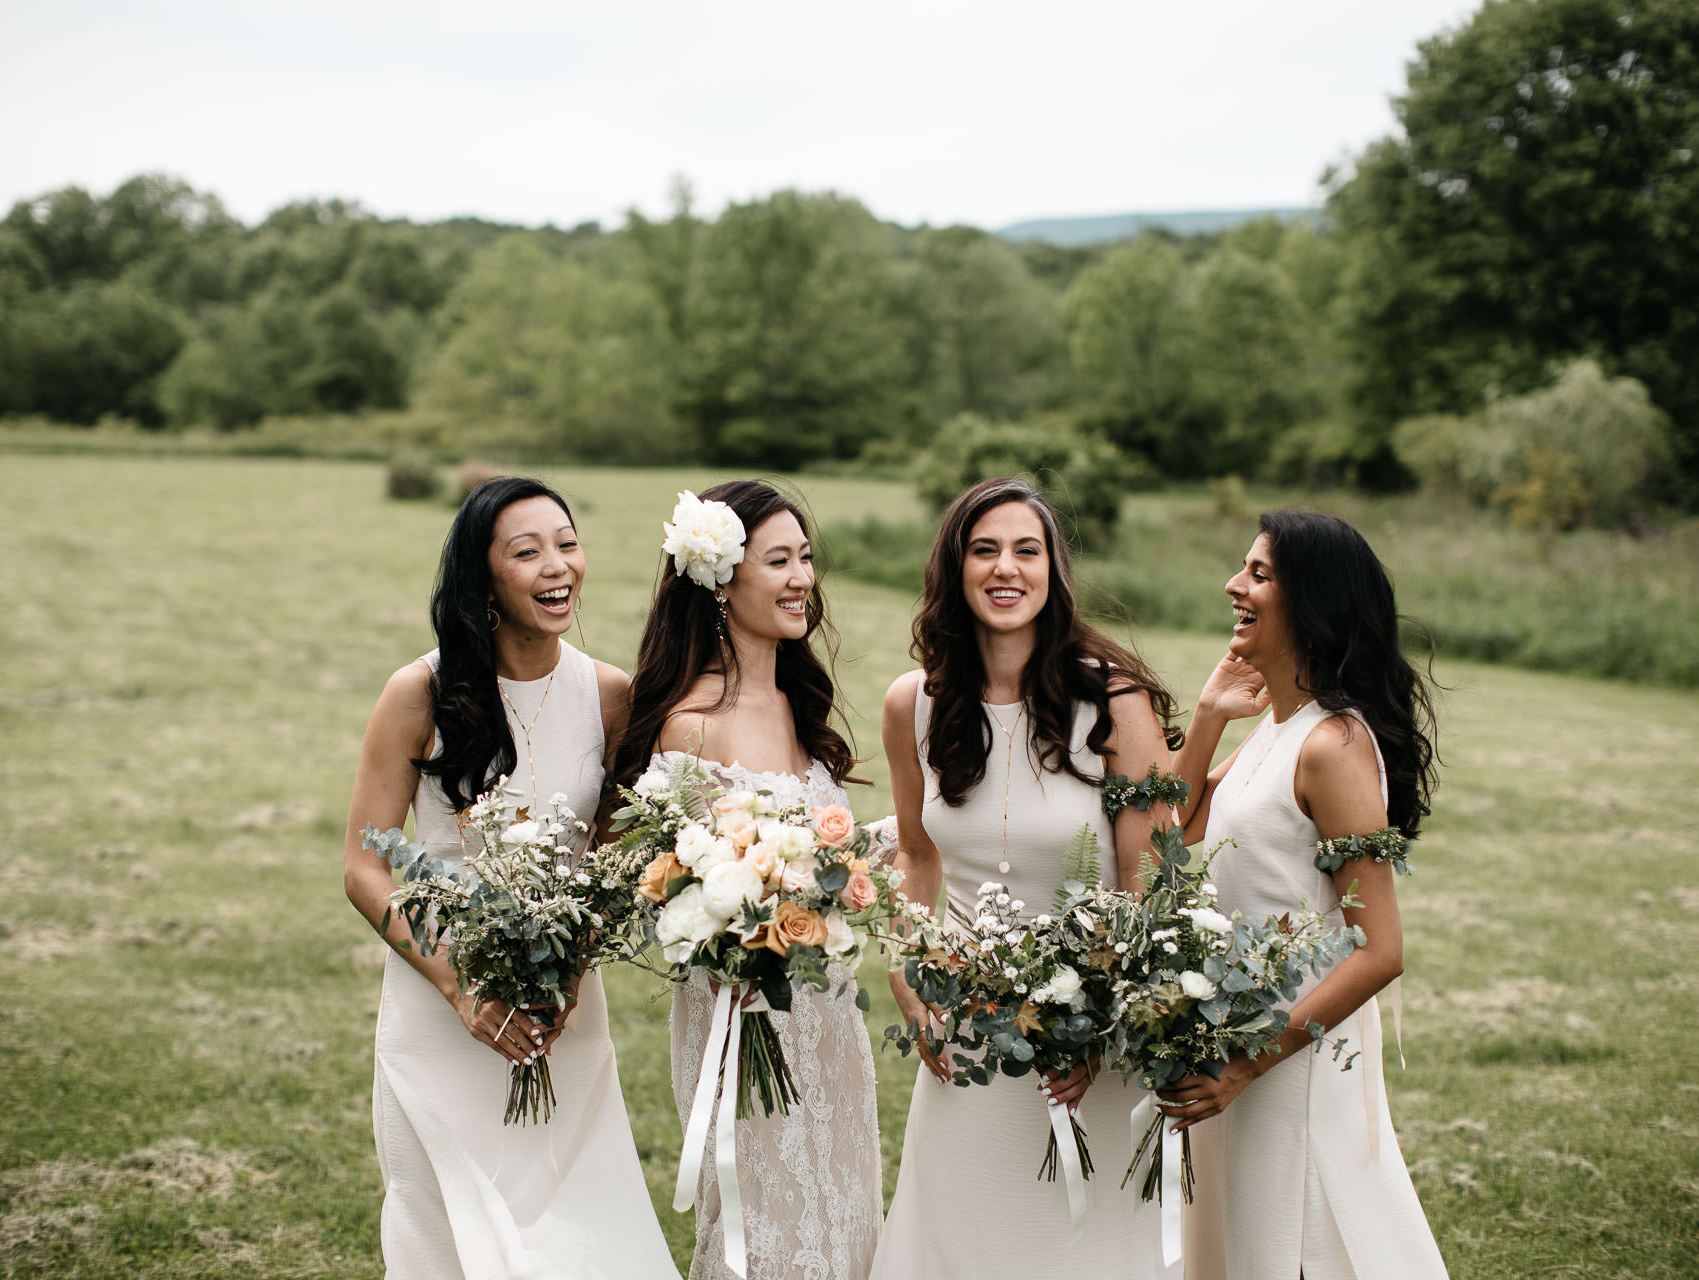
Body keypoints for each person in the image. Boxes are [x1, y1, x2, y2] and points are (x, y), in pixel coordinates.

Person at [342, 477, 678, 1280]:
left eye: (567, 542)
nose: (557, 565)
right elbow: (364, 864)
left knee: (579, 1235)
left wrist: (570, 966)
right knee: (447, 1240)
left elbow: (608, 863)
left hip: (565, 1014)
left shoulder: (608, 696)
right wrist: (464, 988)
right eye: (527, 552)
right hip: (437, 1006)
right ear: (483, 580)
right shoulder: (418, 692)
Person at [870, 476, 1184, 1278]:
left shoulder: (1115, 702)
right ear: (955, 568)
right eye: (984, 550)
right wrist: (910, 972)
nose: (1005, 569)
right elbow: (918, 856)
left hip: (1084, 1043)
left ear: (1053, 571)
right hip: (967, 1033)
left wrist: (1095, 1018)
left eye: (1026, 550)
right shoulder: (913, 704)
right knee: (962, 1240)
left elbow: (1147, 883)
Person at [607, 480, 883, 1280]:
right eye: (779, 561)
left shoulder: (797, 708)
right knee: (767, 1222)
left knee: (843, 1208)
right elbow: (668, 879)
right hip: (744, 1013)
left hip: (825, 1014)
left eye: (805, 558)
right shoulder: (692, 722)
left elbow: (826, 860)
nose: (802, 578)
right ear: (721, 582)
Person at [1162, 509, 1447, 1279]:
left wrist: (1249, 1063)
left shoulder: (1335, 746)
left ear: (1313, 603)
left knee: (1301, 1237)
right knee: (1240, 1240)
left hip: (1292, 1050)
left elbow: (1380, 950)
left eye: (1258, 574)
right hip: (1235, 1029)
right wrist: (1209, 716)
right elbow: (1173, 829)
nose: (1234, 584)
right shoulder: (1280, 728)